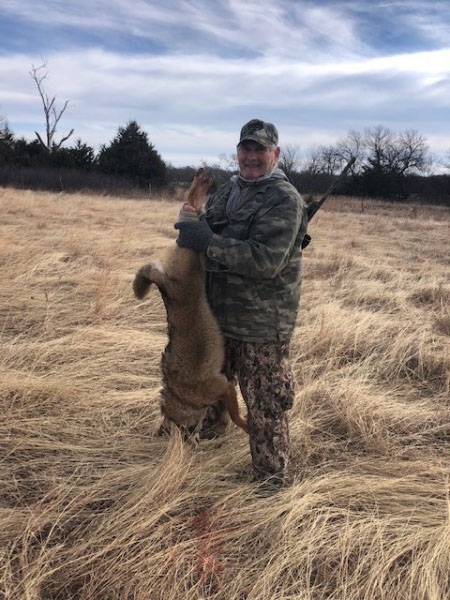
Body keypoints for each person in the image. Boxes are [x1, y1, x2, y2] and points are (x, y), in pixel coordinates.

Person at [175, 119, 308, 491]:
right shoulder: (229, 189)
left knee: (266, 406)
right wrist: (191, 223)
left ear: (275, 154)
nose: (251, 156)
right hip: (218, 317)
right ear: (238, 152)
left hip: (260, 325)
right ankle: (209, 452)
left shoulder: (283, 198)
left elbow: (266, 261)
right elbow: (209, 226)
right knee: (213, 390)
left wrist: (207, 241)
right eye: (246, 149)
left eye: (260, 150)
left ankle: (271, 483)